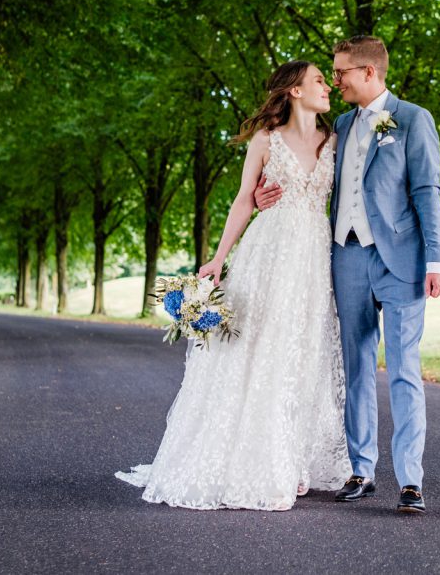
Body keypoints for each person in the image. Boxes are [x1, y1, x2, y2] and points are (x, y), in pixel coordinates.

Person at [115, 60, 352, 511]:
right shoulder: (266, 140)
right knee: (258, 351)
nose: (328, 86)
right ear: (295, 91)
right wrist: (219, 258)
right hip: (268, 253)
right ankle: (256, 461)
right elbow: (245, 199)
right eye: (319, 79)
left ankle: (293, 459)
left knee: (302, 355)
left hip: (313, 261)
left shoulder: (336, 140)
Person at [256, 36, 440, 514]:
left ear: (369, 72)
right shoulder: (339, 124)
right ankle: (361, 469)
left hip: (401, 259)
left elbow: (427, 190)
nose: (335, 79)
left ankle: (410, 481)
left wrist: (437, 259)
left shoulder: (412, 119)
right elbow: (302, 167)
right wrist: (264, 195)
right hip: (345, 257)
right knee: (356, 364)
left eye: (341, 72)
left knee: (404, 369)